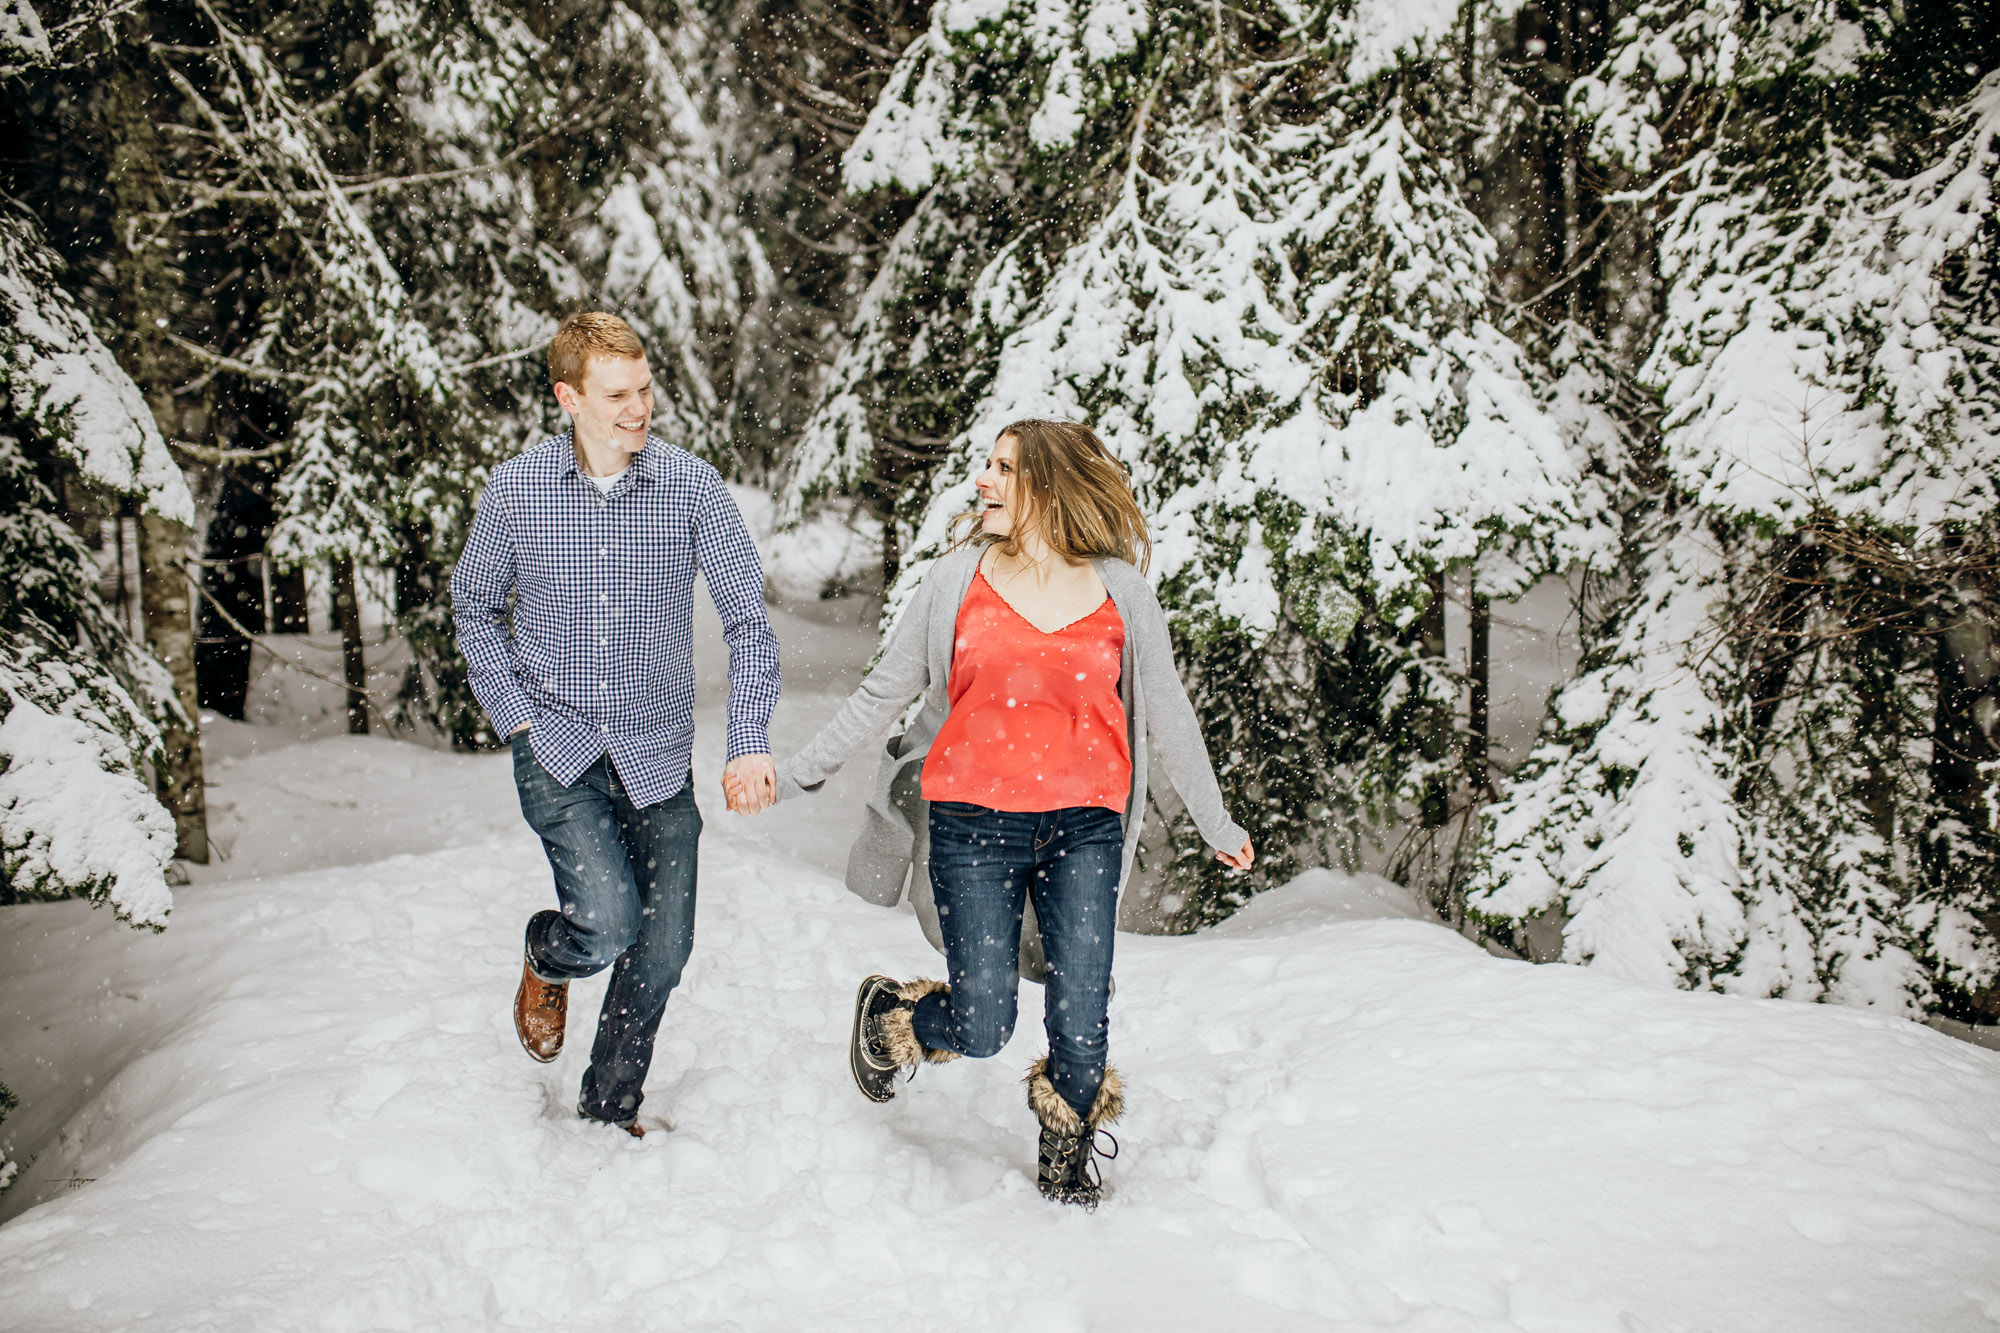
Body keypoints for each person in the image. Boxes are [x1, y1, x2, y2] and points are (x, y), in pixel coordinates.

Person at [736, 418, 1251, 1207]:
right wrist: (801, 770)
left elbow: (1170, 716)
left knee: (1082, 1008)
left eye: (1003, 468)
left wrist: (1219, 824)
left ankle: (1067, 1147)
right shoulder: (955, 581)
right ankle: (889, 1021)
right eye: (987, 465)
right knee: (984, 1023)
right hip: (972, 827)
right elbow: (885, 688)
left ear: (1048, 482)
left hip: (1085, 827)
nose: (983, 480)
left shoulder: (1122, 593)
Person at [452, 311, 781, 1137]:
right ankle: (547, 951)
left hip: (656, 751)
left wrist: (748, 740)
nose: (640, 408)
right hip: (556, 745)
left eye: (645, 388)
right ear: (568, 397)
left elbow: (747, 619)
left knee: (663, 949)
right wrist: (516, 716)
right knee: (605, 920)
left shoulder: (692, 486)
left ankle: (610, 1104)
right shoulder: (517, 491)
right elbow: (474, 607)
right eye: (618, 394)